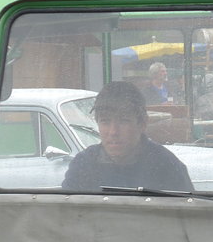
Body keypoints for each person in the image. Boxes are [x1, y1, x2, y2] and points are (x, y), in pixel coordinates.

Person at [62, 80, 192, 192]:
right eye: (105, 121)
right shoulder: (83, 165)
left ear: (142, 123)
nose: (113, 131)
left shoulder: (167, 167)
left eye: (123, 121)